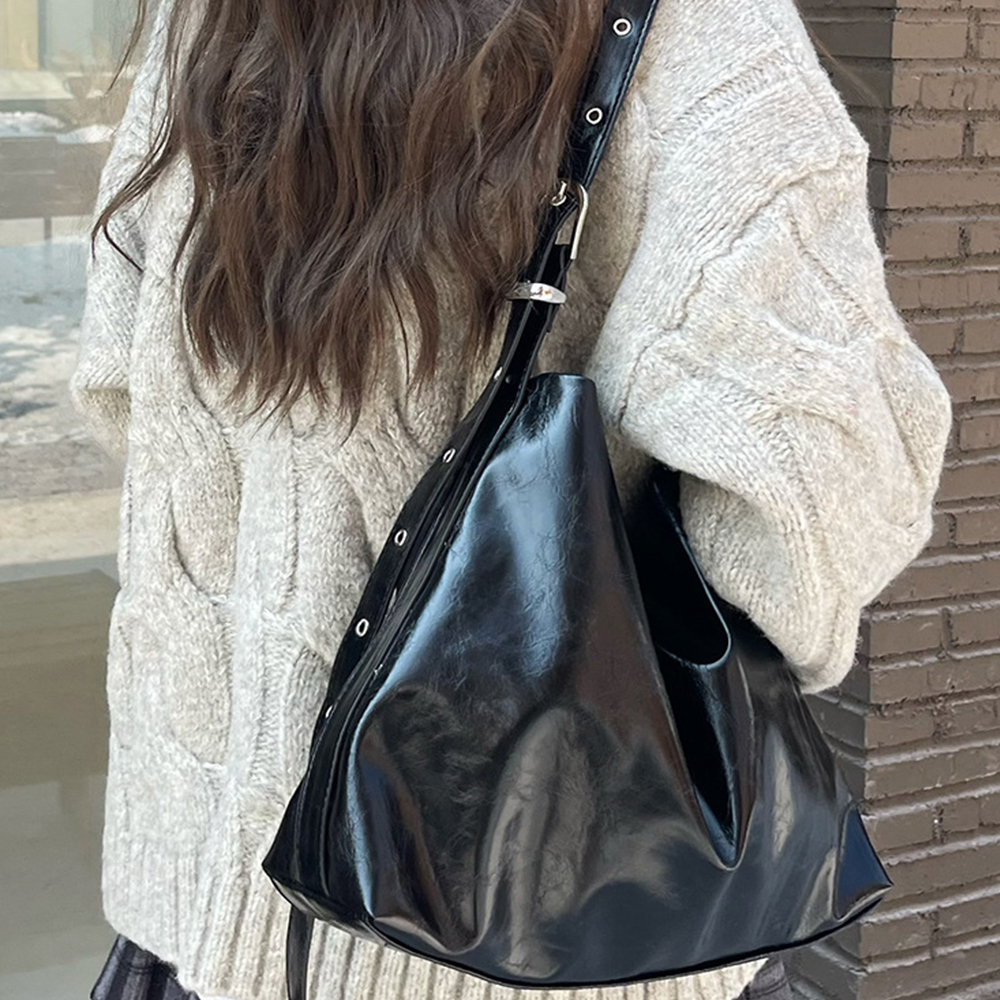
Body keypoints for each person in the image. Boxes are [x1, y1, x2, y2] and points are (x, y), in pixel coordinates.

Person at [70, 0, 953, 998]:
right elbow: (813, 509)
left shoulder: (210, 19)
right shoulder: (696, 34)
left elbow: (121, 383)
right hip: (539, 931)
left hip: (203, 905)